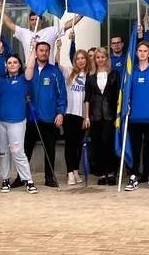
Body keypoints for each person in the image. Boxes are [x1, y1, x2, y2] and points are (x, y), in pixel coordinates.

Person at [123, 41, 149, 191]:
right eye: (139, 50)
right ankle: (133, 176)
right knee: (135, 148)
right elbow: (126, 94)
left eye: (145, 51)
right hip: (134, 118)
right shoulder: (131, 72)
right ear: (137, 53)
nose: (142, 53)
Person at [24, 40, 65, 188]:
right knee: (26, 149)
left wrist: (60, 113)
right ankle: (22, 177)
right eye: (41, 50)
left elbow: (62, 95)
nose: (44, 53)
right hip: (31, 117)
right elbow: (22, 89)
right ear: (36, 52)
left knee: (50, 149)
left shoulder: (55, 72)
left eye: (46, 50)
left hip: (49, 117)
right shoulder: (29, 69)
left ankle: (49, 178)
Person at [0, 53, 36, 193]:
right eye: (9, 62)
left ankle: (28, 180)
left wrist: (33, 51)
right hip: (0, 120)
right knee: (2, 151)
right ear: (6, 66)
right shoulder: (0, 81)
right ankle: (5, 179)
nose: (12, 64)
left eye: (15, 62)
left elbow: (30, 66)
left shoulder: (25, 79)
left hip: (17, 120)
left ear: (20, 65)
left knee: (18, 151)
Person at [0, 0, 82, 56]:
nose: (34, 21)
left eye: (36, 19)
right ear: (29, 21)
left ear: (41, 21)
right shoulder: (23, 33)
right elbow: (9, 23)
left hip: (48, 72)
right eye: (32, 19)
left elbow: (68, 25)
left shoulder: (51, 31)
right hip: (31, 73)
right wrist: (0, 8)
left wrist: (82, 14)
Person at [86, 47, 120, 186]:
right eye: (98, 57)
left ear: (107, 58)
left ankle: (111, 172)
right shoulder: (90, 75)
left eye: (102, 57)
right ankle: (101, 173)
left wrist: (118, 115)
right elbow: (87, 97)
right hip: (95, 115)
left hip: (110, 114)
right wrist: (87, 116)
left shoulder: (114, 74)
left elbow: (118, 95)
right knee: (97, 144)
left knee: (109, 143)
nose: (100, 60)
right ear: (95, 59)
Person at [62, 48, 90, 185]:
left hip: (82, 115)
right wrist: (59, 47)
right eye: (78, 58)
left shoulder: (90, 75)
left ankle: (75, 170)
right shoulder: (69, 72)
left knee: (79, 145)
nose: (80, 61)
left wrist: (87, 116)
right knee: (70, 145)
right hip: (69, 113)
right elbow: (56, 63)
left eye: (83, 58)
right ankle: (70, 174)